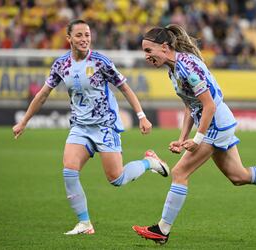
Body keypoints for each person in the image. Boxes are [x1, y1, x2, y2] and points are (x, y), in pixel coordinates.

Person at [132, 24, 256, 244]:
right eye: (144, 52)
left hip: (215, 124)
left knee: (180, 172)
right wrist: (182, 140)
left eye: (148, 51)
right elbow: (191, 106)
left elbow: (209, 106)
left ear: (164, 47)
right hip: (216, 123)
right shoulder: (173, 69)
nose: (146, 56)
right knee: (239, 176)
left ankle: (162, 230)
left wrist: (197, 139)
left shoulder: (187, 67)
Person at [12, 19, 170, 235]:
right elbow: (43, 94)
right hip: (80, 127)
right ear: (69, 38)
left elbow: (125, 88)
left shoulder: (100, 62)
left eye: (87, 35)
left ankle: (149, 162)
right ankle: (85, 223)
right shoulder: (61, 65)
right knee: (69, 171)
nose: (84, 39)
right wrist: (23, 122)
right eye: (79, 35)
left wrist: (142, 116)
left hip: (105, 126)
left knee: (117, 179)